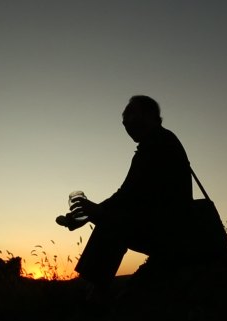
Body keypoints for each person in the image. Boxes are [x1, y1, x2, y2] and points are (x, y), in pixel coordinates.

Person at [56, 95, 193, 296]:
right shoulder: (157, 142)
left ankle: (94, 293)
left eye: (130, 113)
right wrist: (90, 215)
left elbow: (128, 196)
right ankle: (93, 289)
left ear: (150, 116)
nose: (124, 121)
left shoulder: (157, 143)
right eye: (123, 117)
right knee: (110, 220)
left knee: (110, 225)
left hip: (171, 231)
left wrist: (96, 212)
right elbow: (128, 195)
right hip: (167, 225)